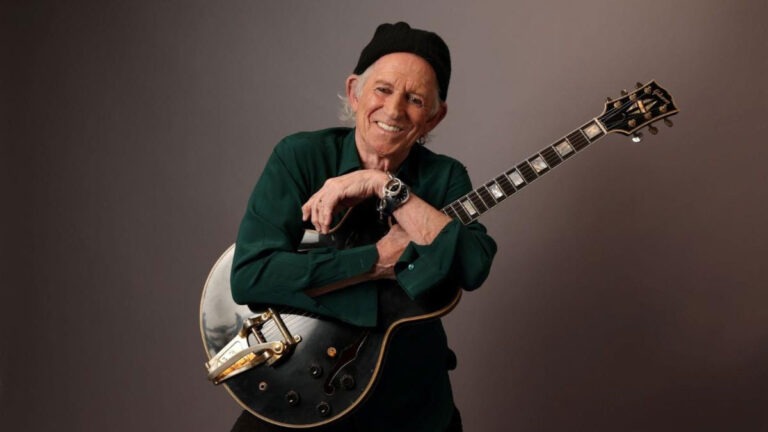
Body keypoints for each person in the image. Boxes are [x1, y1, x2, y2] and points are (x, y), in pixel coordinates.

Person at [230, 22, 497, 432]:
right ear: (355, 92)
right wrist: (374, 260)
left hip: (409, 403)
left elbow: (472, 267)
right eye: (383, 90)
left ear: (434, 117)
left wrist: (383, 185)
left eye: (415, 99)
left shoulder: (446, 177)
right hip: (300, 384)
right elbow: (251, 276)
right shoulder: (300, 157)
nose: (394, 110)